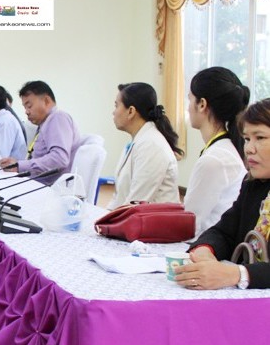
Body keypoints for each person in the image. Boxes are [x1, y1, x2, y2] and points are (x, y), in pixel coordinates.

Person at [175, 98, 270, 291]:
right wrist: (205, 251)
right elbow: (224, 231)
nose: (249, 149)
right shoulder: (253, 185)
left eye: (260, 138)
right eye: (246, 139)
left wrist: (237, 274)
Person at [183, 67, 249, 233]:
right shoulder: (222, 149)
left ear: (202, 104)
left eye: (190, 100)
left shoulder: (215, 159)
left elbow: (190, 224)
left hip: (208, 247)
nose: (187, 108)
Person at [106, 82, 182, 209]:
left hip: (152, 226)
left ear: (131, 111)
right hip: (132, 220)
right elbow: (119, 196)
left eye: (116, 106)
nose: (113, 112)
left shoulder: (151, 145)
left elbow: (136, 203)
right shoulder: (139, 141)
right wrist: (102, 219)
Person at [0, 80, 81, 185]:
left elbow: (59, 159)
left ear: (46, 101)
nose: (26, 111)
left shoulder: (57, 118)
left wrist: (20, 166)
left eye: (29, 106)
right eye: (25, 107)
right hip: (36, 185)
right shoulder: (45, 123)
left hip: (47, 190)